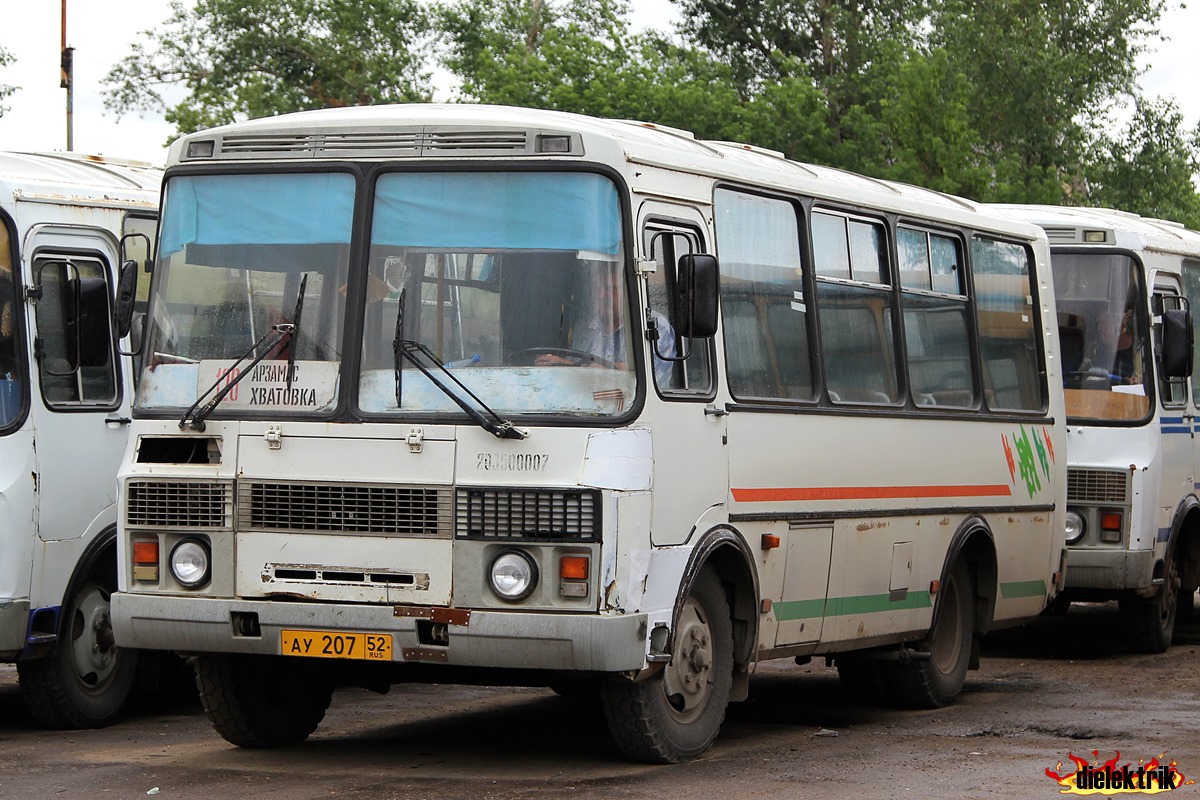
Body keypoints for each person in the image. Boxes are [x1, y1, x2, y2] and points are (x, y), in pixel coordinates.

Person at [535, 263, 677, 384]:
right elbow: (575, 381)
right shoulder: (585, 326)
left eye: (611, 289)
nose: (603, 295)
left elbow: (641, 377)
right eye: (599, 289)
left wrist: (567, 365)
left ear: (627, 292)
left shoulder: (654, 325)